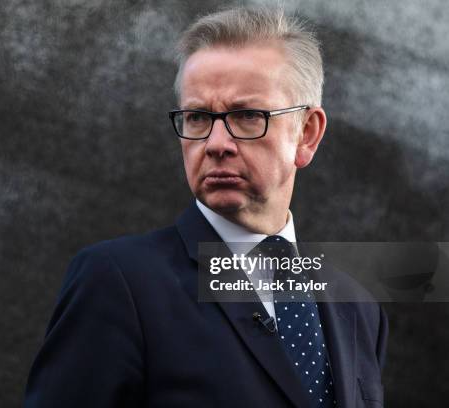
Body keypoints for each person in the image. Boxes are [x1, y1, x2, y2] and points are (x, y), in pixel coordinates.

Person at [24, 6, 387, 408]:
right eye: (197, 117)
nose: (216, 143)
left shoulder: (358, 306)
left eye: (248, 116)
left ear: (307, 134)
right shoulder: (117, 282)